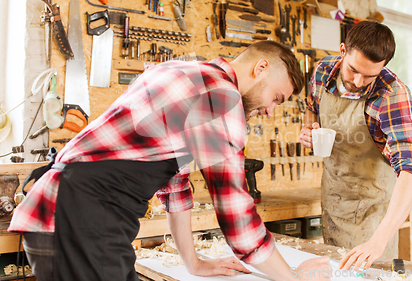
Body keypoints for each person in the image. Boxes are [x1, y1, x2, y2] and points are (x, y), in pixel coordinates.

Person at [9, 41, 331, 281]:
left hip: (52, 209)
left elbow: (175, 185)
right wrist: (292, 278)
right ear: (260, 68)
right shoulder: (223, 96)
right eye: (276, 97)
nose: (271, 110)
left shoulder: (179, 71)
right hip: (85, 217)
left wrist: (194, 263)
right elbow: (236, 214)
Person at [299, 21, 412, 271]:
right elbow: (311, 107)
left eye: (369, 75)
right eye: (353, 70)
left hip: (374, 213)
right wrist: (308, 129)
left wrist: (378, 242)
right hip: (333, 200)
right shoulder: (323, 70)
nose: (358, 81)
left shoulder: (391, 94)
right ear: (343, 50)